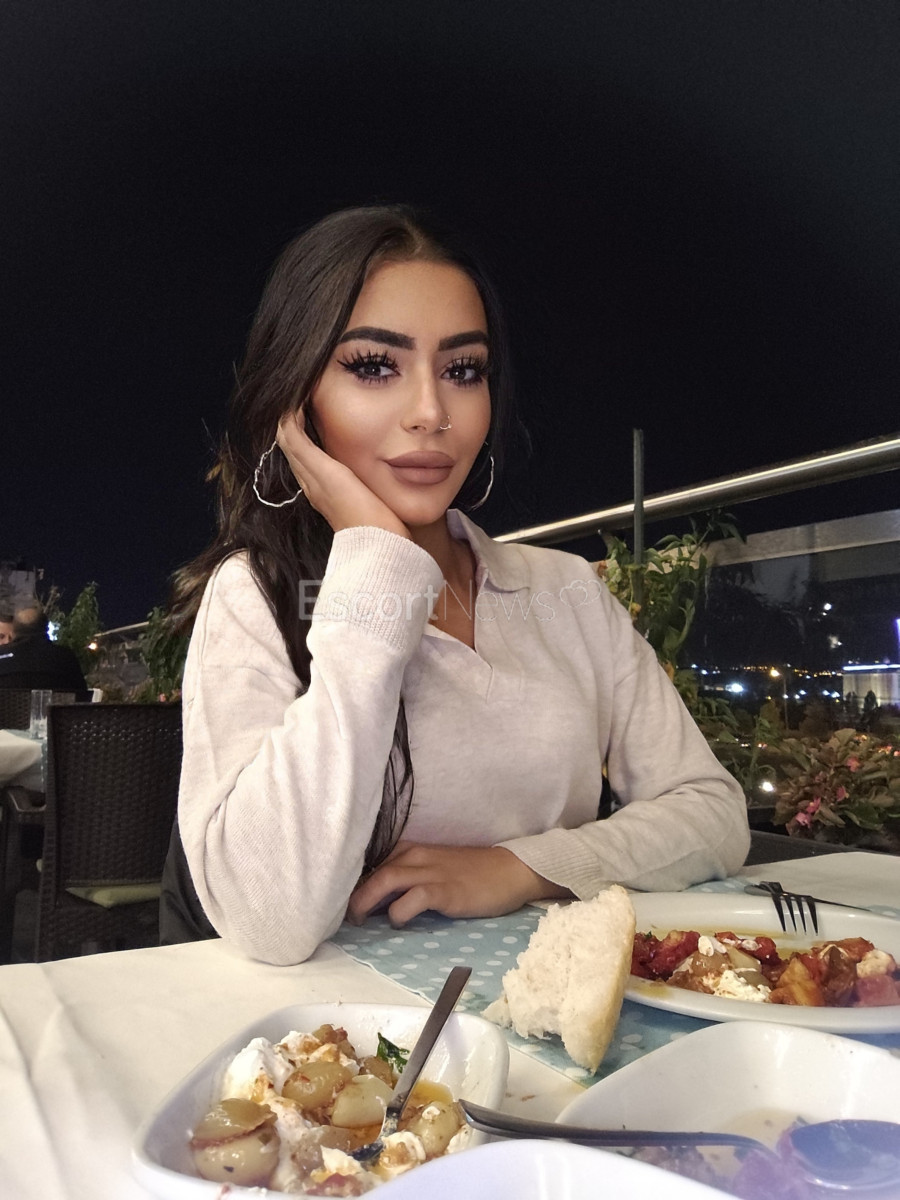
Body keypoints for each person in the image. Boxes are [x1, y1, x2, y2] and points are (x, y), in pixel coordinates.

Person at [165, 205, 750, 965]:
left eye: (463, 370)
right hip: (352, 1028)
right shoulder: (257, 596)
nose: (431, 412)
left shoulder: (565, 589)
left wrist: (523, 868)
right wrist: (374, 564)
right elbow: (268, 919)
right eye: (374, 366)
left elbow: (713, 812)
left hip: (566, 1003)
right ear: (296, 403)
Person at [0, 603, 88, 693]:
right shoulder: (66, 658)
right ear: (46, 628)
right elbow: (82, 695)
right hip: (52, 702)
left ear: (14, 632)